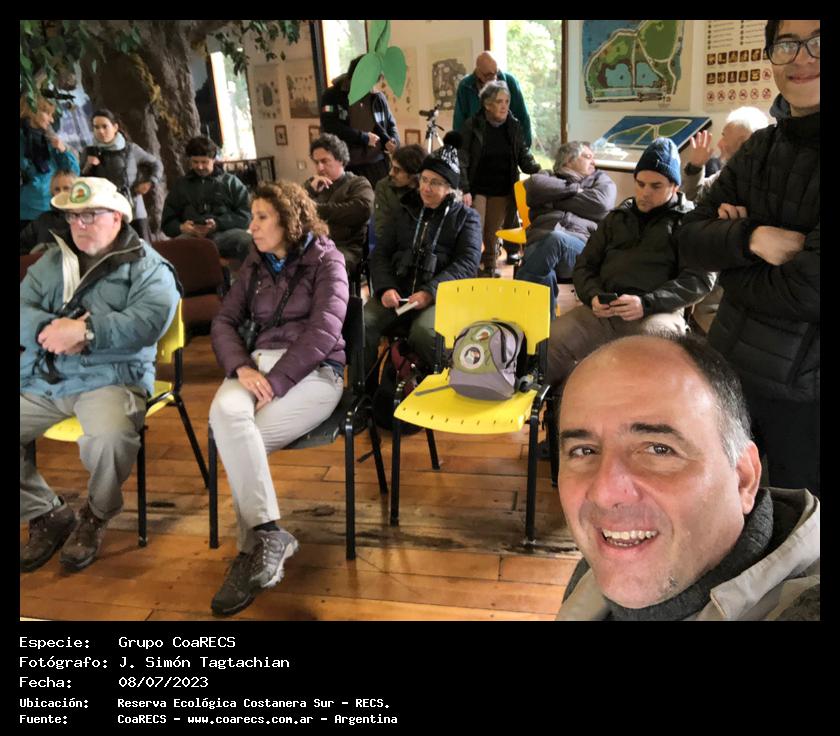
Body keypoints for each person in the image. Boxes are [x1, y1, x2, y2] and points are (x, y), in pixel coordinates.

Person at [555, 334, 819, 621]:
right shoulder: (597, 570)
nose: (604, 492)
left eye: (659, 449)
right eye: (584, 450)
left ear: (744, 478)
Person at [678, 20, 819, 497]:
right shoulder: (761, 148)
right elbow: (688, 239)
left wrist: (730, 261)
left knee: (793, 528)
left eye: (818, 41)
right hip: (729, 375)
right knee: (724, 508)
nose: (801, 57)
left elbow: (809, 289)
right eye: (786, 44)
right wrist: (752, 239)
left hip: (803, 401)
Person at [20, 177, 179, 573]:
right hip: (48, 374)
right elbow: (21, 308)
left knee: (111, 437)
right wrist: (53, 331)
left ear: (117, 217)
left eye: (90, 215)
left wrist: (87, 333)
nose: (79, 224)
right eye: (73, 216)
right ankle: (46, 511)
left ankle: (95, 514)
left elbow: (148, 322)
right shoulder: (51, 261)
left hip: (111, 375)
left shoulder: (148, 266)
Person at [208, 181, 348, 616]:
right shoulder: (253, 263)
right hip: (256, 366)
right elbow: (223, 322)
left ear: (289, 220)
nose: (251, 227)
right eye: (252, 217)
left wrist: (280, 381)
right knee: (224, 414)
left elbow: (324, 330)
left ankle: (248, 553)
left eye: (261, 217)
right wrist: (242, 367)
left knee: (238, 441)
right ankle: (270, 534)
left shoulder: (328, 260)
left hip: (316, 372)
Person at [547, 137, 714, 389]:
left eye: (656, 186)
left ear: (674, 187)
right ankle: (555, 404)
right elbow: (584, 266)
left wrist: (646, 303)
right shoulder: (616, 218)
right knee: (551, 341)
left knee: (652, 350)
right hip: (604, 310)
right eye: (640, 184)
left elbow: (699, 280)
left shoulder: (688, 223)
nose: (645, 192)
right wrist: (592, 295)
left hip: (656, 314)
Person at [364, 132, 482, 372]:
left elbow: (467, 264)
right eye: (424, 180)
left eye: (435, 183)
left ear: (450, 188)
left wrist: (429, 292)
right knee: (363, 324)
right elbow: (381, 253)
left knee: (425, 333)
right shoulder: (403, 210)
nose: (426, 188)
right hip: (398, 293)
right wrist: (385, 287)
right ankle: (363, 388)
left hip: (439, 298)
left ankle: (438, 383)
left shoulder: (466, 218)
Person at [514, 141, 617, 317]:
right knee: (545, 274)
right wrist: (576, 190)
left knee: (555, 240)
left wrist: (552, 201)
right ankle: (547, 328)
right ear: (569, 159)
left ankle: (519, 308)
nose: (594, 162)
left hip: (579, 248)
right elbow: (534, 188)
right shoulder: (546, 176)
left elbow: (601, 204)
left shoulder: (600, 179)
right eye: (588, 157)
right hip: (540, 240)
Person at [458, 81, 540, 277]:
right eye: (499, 102)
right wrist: (464, 188)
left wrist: (538, 171)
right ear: (487, 105)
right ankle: (470, 268)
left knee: (492, 232)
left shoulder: (513, 125)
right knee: (475, 229)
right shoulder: (472, 125)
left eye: (507, 101)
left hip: (502, 188)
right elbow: (462, 158)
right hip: (477, 187)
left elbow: (523, 154)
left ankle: (490, 266)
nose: (504, 106)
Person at [161, 136, 252, 265]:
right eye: (195, 162)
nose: (199, 166)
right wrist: (181, 227)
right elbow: (167, 223)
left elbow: (246, 216)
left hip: (226, 234)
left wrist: (218, 223)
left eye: (204, 162)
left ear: (214, 159)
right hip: (191, 238)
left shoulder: (231, 183)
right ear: (189, 160)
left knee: (248, 242)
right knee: (172, 250)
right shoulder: (180, 186)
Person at [81, 108, 164, 242]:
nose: (101, 131)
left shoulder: (131, 149)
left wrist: (150, 182)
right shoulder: (89, 152)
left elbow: (157, 164)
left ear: (115, 127)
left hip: (134, 209)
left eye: (104, 126)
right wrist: (88, 166)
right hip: (106, 211)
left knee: (143, 247)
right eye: (96, 127)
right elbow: (81, 184)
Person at [320, 55, 400, 188]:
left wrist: (393, 141)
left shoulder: (377, 97)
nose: (370, 86)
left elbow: (390, 124)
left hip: (378, 164)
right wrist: (363, 137)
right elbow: (330, 126)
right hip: (348, 165)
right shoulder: (332, 96)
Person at [304, 133, 375, 274]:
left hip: (344, 247)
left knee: (321, 268)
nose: (320, 168)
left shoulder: (358, 183)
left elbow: (362, 210)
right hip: (312, 244)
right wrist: (310, 191)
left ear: (341, 160)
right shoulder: (312, 183)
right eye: (316, 162)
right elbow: (294, 209)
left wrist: (314, 209)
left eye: (325, 161)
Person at [682, 106, 769, 202]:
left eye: (724, 136)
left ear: (746, 142)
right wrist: (695, 167)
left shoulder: (771, 177)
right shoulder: (727, 173)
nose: (719, 144)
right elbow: (695, 197)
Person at [20, 95, 80, 232]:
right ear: (33, 110)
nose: (52, 120)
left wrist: (63, 150)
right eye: (48, 113)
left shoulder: (50, 140)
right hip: (25, 214)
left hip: (53, 210)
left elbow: (73, 174)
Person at [453, 51, 532, 148]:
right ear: (478, 72)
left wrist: (524, 148)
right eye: (489, 75)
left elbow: (523, 118)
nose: (494, 78)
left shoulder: (510, 82)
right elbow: (459, 123)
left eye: (496, 72)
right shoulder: (465, 86)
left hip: (506, 146)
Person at [373, 143, 426, 245]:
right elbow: (381, 230)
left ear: (413, 174)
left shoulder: (426, 190)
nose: (391, 173)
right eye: (392, 167)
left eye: (397, 170)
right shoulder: (384, 186)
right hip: (392, 247)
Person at [19, 169, 74, 254]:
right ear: (52, 193)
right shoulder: (44, 219)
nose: (61, 193)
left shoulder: (82, 219)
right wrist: (33, 256)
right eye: (57, 189)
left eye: (66, 188)